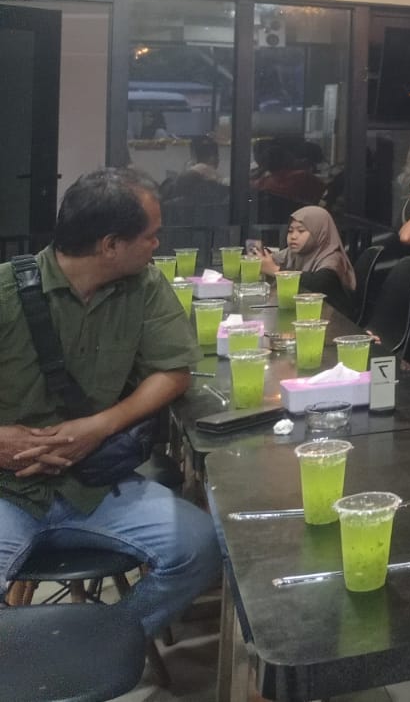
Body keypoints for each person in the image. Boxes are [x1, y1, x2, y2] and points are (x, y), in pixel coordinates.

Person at [0, 169, 221, 639]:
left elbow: (174, 370)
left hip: (93, 487)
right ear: (110, 245)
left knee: (200, 546)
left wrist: (100, 425)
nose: (157, 245)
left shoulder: (144, 287)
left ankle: (99, 646)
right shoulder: (5, 293)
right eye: (150, 235)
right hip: (8, 491)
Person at [258, 204, 358, 314]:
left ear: (319, 232)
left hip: (333, 318)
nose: (293, 236)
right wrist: (260, 256)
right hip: (305, 313)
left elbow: (319, 283)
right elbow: (273, 259)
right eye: (290, 231)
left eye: (301, 231)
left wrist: (276, 271)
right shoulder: (294, 252)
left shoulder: (333, 257)